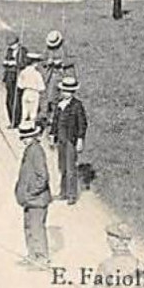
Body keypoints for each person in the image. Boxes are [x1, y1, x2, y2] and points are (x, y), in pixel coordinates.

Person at [14, 121, 51, 268]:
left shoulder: (36, 151)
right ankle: (32, 255)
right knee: (28, 228)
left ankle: (42, 258)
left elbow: (43, 177)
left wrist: (31, 192)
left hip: (36, 200)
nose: (23, 140)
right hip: (29, 200)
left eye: (25, 137)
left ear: (33, 137)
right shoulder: (30, 150)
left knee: (36, 228)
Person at [52, 73, 88, 204]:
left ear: (73, 92)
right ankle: (63, 192)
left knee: (71, 167)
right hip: (61, 139)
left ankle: (72, 194)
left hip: (70, 140)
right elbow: (55, 121)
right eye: (64, 91)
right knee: (62, 167)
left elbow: (82, 124)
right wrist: (52, 134)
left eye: (69, 91)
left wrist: (80, 139)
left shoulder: (77, 106)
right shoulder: (59, 104)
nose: (66, 93)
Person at [16, 51, 46, 128]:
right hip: (34, 93)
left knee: (25, 110)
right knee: (33, 112)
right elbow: (41, 87)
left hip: (26, 92)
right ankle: (32, 126)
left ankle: (22, 125)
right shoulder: (37, 74)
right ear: (34, 63)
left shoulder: (23, 72)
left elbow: (20, 85)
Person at [2, 34, 25, 128]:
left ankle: (16, 121)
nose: (11, 47)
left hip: (17, 77)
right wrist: (7, 63)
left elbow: (23, 63)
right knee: (9, 100)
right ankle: (11, 119)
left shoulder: (22, 51)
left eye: (13, 45)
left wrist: (15, 63)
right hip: (9, 77)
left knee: (16, 99)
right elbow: (6, 60)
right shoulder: (9, 51)